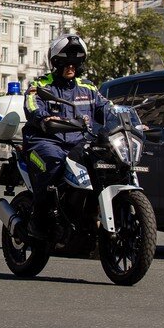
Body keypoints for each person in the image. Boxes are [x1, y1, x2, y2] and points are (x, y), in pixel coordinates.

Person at [21, 34, 110, 239]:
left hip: (79, 143)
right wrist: (44, 118)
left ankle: (87, 215)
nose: (70, 67)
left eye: (75, 63)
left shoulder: (88, 88)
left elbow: (107, 108)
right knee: (53, 164)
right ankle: (39, 221)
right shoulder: (42, 85)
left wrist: (129, 119)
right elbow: (32, 106)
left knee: (103, 164)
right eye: (65, 63)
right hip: (45, 142)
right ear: (55, 63)